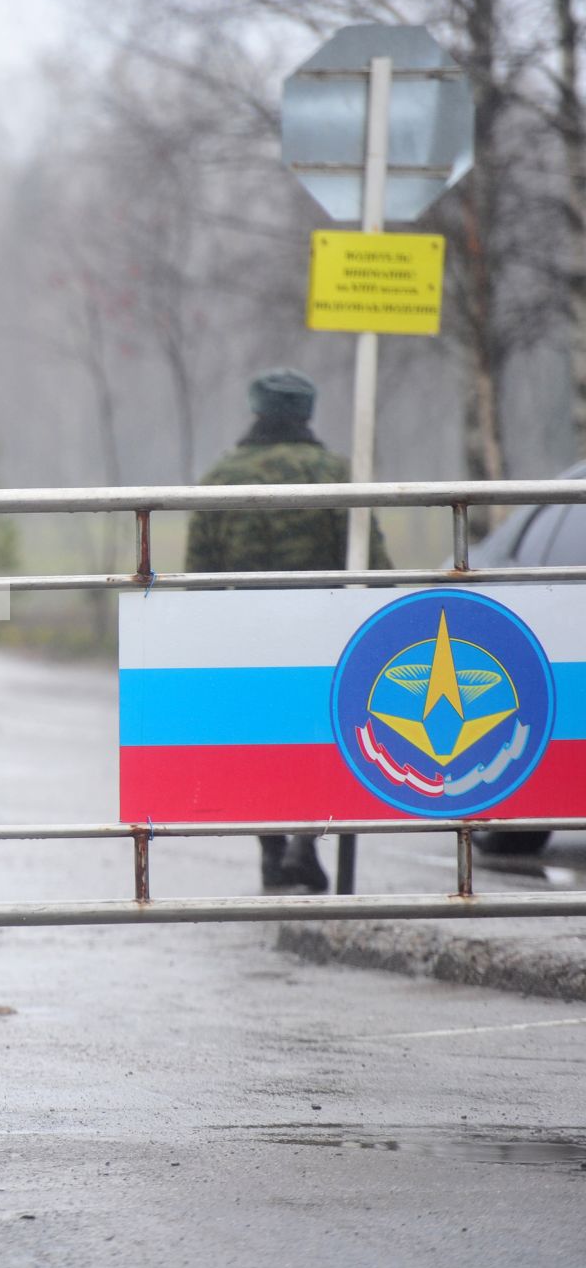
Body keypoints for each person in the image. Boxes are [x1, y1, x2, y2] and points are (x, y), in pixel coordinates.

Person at [185, 367, 390, 894]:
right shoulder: (333, 475)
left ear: (256, 411)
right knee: (320, 739)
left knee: (258, 744)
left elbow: (198, 581)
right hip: (321, 635)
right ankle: (306, 838)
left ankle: (272, 853)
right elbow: (377, 565)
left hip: (246, 638)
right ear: (307, 414)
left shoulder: (220, 478)